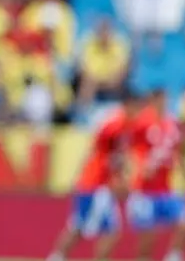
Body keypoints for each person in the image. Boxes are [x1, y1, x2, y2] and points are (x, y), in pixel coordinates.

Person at [47, 94, 135, 261]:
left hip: (96, 185)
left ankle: (56, 257)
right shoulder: (115, 125)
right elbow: (104, 154)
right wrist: (120, 179)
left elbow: (112, 157)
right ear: (129, 105)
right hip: (95, 185)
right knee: (103, 230)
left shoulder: (122, 126)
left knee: (83, 227)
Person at [127, 89, 185, 261]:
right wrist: (137, 168)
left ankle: (173, 257)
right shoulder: (141, 121)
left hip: (166, 188)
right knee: (148, 239)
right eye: (161, 99)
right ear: (152, 99)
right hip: (144, 189)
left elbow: (178, 153)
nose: (164, 102)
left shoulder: (172, 123)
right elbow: (127, 147)